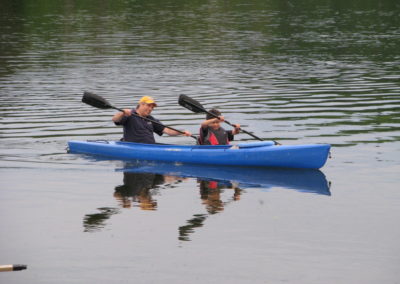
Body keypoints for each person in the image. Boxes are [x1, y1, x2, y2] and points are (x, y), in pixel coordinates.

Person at [112, 96, 192, 143]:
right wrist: (122, 113)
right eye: (149, 106)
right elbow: (115, 120)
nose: (151, 109)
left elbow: (167, 130)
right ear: (141, 105)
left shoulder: (150, 119)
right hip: (133, 147)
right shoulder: (129, 114)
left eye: (152, 107)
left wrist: (181, 132)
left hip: (150, 147)